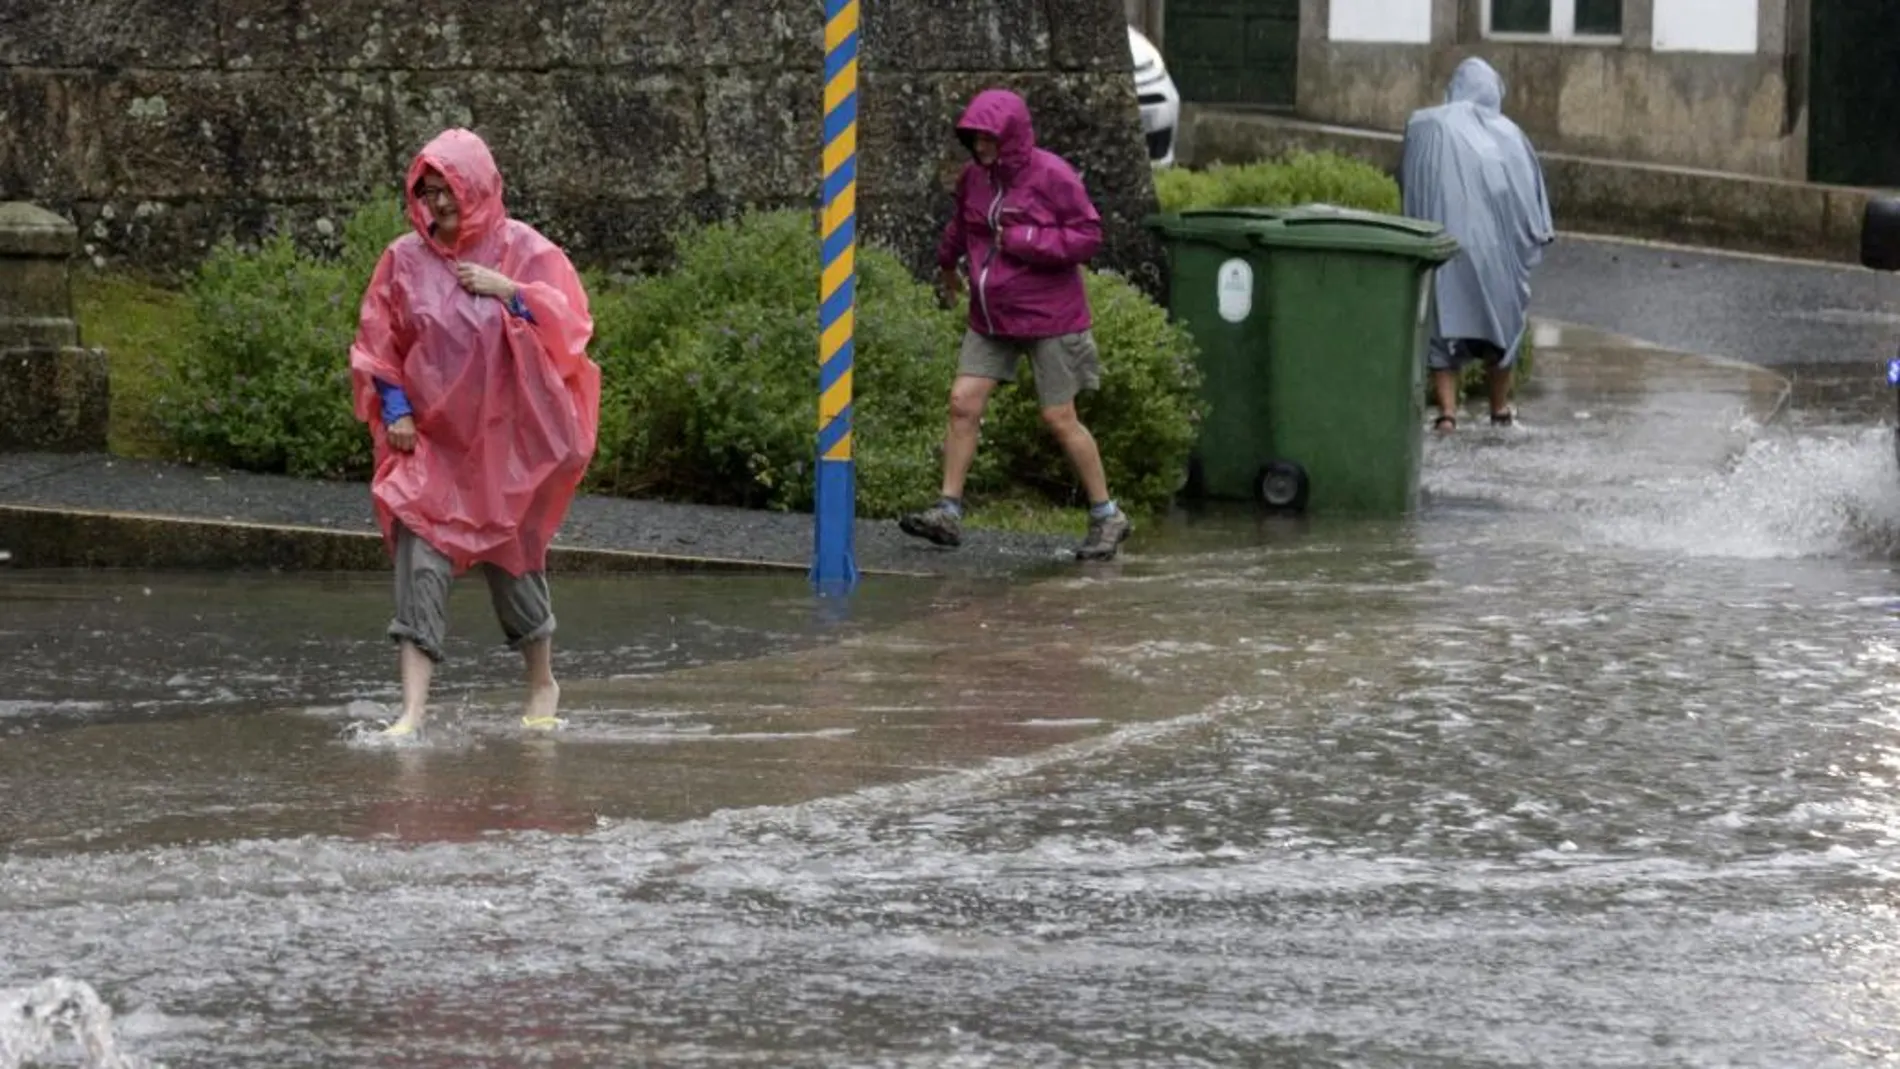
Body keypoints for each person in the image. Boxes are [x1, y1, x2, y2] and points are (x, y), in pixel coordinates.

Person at [348, 128, 601, 738]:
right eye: (428, 191)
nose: (438, 205)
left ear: (479, 188)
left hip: (505, 451)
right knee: (420, 563)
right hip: (433, 448)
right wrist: (397, 407)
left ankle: (542, 681)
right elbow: (378, 343)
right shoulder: (402, 260)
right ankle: (411, 710)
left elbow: (571, 330)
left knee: (513, 568)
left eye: (450, 191)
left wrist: (510, 293)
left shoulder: (528, 253)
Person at [899, 87, 1132, 562]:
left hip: (1050, 317)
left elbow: (1088, 235)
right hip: (990, 316)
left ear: (1011, 137)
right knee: (963, 403)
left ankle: (1107, 514)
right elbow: (962, 227)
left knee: (1059, 418)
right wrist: (947, 266)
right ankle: (948, 510)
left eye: (989, 139)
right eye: (975, 139)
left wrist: (1026, 239)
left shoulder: (1053, 175)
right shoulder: (974, 178)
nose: (981, 148)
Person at [1400, 57, 1556, 432]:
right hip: (1497, 259)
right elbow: (1530, 205)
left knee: (1442, 327)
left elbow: (1410, 184)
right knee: (1503, 330)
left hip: (1445, 248)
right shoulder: (1512, 136)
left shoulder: (1426, 125)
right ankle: (1500, 409)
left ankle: (1448, 415)